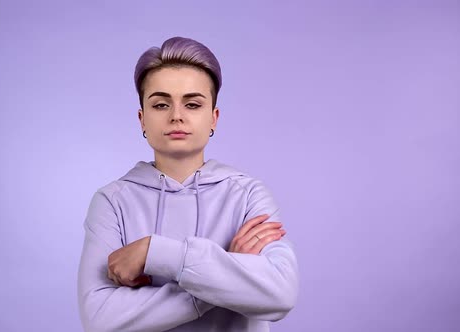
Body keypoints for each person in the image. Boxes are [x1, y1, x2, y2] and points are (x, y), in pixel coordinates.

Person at [77, 36, 299, 332]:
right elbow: (100, 320)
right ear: (142, 119)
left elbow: (281, 293)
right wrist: (228, 275)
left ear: (213, 118)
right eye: (160, 104)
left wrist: (153, 253)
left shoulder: (248, 195)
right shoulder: (111, 202)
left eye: (193, 104)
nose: (176, 116)